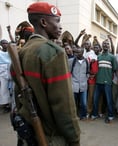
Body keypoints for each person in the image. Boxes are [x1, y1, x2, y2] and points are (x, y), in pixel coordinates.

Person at [11, 2, 80, 146]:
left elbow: (18, 99)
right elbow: (64, 107)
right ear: (43, 22)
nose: (60, 26)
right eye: (57, 21)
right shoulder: (54, 53)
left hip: (28, 133)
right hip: (49, 137)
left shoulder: (21, 53)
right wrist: (74, 139)